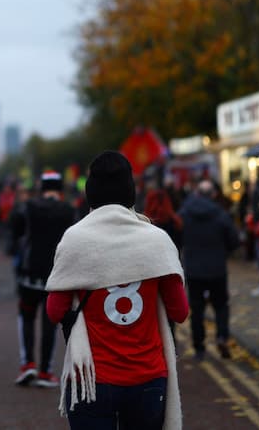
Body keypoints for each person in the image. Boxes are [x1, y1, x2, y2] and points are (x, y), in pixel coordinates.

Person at [45, 151, 188, 429]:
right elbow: (180, 312)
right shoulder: (158, 240)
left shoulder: (74, 239)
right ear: (130, 191)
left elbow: (54, 312)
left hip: (91, 380)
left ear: (90, 192)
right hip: (148, 378)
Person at [10, 170, 76, 387]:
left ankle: (27, 364)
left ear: (41, 189)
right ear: (60, 189)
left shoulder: (27, 208)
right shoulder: (68, 210)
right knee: (50, 322)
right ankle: (46, 371)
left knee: (26, 318)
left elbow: (15, 234)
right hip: (56, 275)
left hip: (29, 274)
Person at [179, 179, 240, 360]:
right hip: (217, 269)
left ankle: (199, 347)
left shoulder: (185, 213)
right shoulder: (220, 214)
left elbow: (176, 237)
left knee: (197, 310)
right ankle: (222, 336)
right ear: (213, 194)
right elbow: (234, 241)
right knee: (221, 306)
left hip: (194, 269)